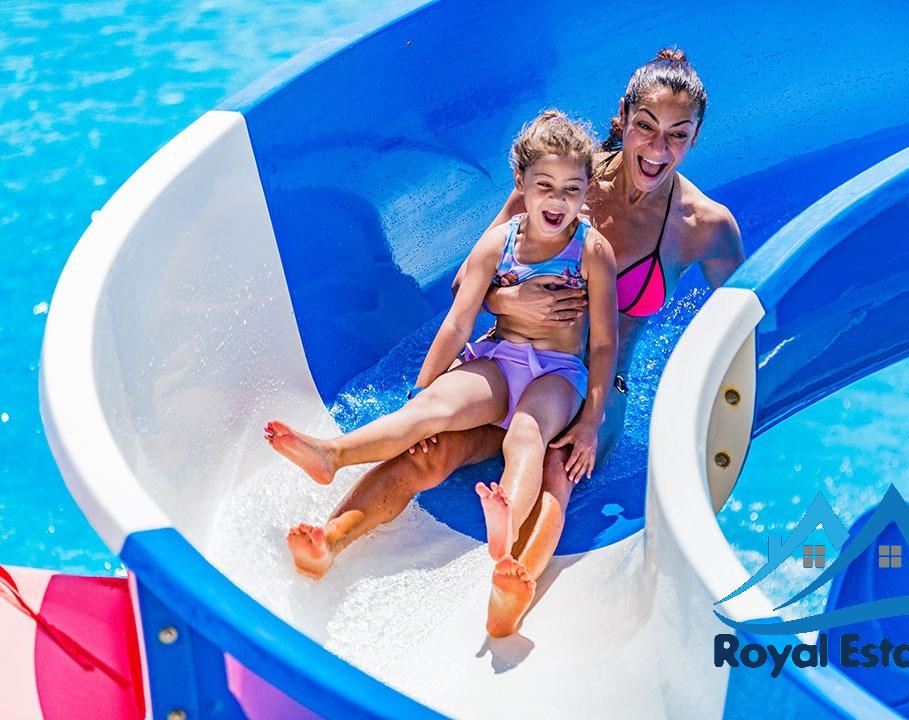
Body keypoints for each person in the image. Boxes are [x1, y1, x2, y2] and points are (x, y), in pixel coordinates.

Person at [269, 48, 745, 638]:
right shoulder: (559, 178)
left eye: (678, 134)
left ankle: (513, 586)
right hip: (507, 354)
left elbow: (745, 322)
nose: (657, 148)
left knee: (556, 468)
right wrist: (510, 302)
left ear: (696, 138)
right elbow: (466, 285)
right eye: (646, 126)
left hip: (588, 386)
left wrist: (610, 416)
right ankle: (331, 539)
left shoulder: (706, 227)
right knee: (429, 449)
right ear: (623, 117)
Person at [266, 110, 618, 625]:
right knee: (430, 414)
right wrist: (422, 392)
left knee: (528, 434)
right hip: (499, 359)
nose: (558, 200)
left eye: (571, 189)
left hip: (556, 373)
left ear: (586, 190)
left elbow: (604, 344)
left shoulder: (591, 250)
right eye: (545, 186)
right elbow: (456, 323)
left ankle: (507, 526)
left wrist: (590, 420)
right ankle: (332, 455)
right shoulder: (498, 243)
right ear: (521, 183)